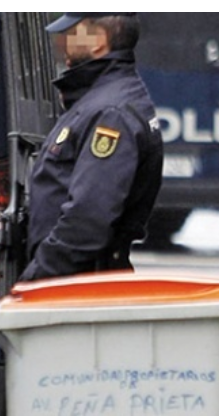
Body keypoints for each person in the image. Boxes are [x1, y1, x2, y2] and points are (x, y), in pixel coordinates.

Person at [19, 13, 163, 280]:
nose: (63, 42)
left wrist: (34, 281)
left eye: (73, 33)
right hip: (76, 282)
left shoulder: (110, 113)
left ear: (98, 40)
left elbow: (86, 222)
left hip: (77, 287)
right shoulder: (100, 100)